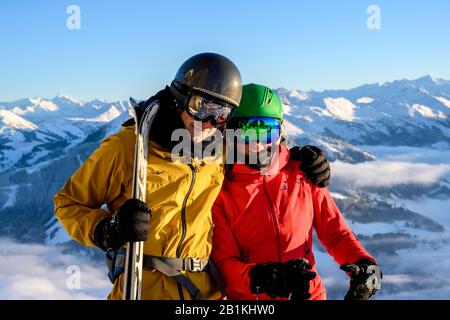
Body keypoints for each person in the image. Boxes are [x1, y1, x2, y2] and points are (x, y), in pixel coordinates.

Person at [53, 53, 330, 300]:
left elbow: (258, 158)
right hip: (144, 285)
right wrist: (106, 230)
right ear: (180, 97)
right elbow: (68, 203)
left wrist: (299, 160)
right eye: (201, 106)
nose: (208, 122)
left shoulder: (220, 149)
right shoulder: (129, 147)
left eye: (220, 114)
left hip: (205, 289)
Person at [211, 83, 382, 300]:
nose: (257, 144)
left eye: (266, 132)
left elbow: (335, 233)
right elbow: (224, 264)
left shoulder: (302, 174)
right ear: (228, 135)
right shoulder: (221, 190)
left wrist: (363, 263)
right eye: (245, 133)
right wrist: (263, 278)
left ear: (280, 132)